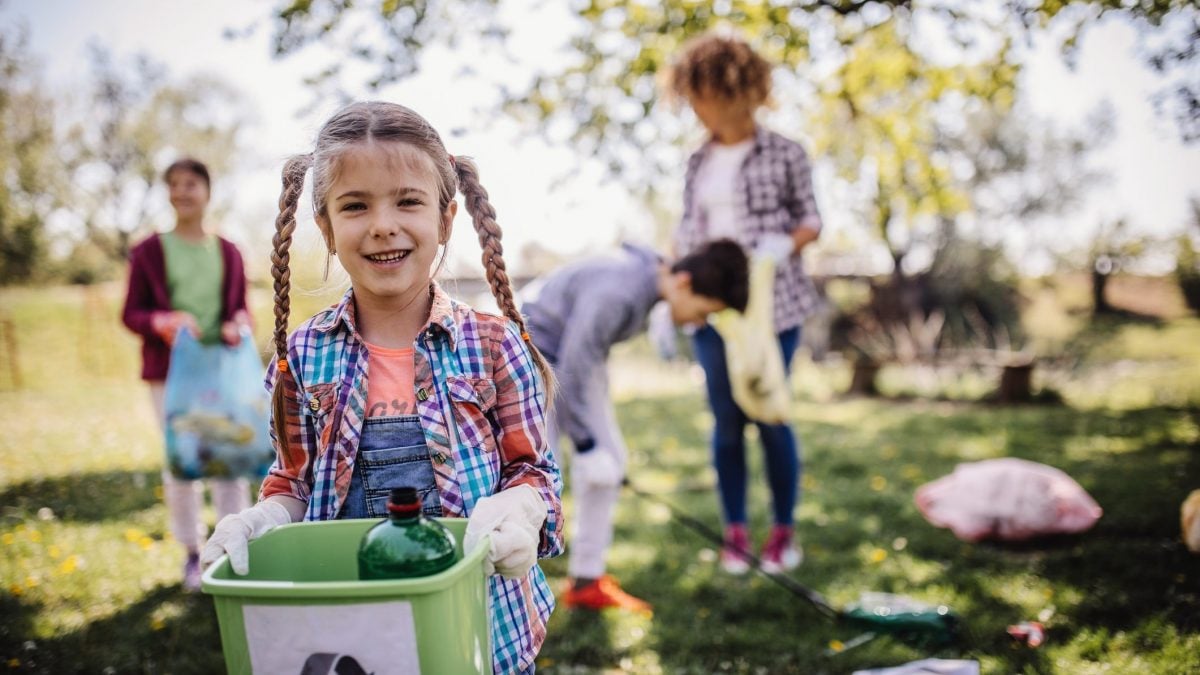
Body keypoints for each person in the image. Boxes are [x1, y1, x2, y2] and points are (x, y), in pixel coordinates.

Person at [199, 101, 563, 675]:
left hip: (480, 624)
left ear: (445, 220)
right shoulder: (302, 356)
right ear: (326, 227)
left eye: (407, 201)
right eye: (355, 205)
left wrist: (522, 511)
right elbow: (294, 480)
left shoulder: (494, 346)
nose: (382, 225)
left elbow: (533, 473)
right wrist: (260, 520)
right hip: (347, 629)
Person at [665, 33, 824, 575]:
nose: (697, 107)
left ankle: (783, 532)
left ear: (735, 91)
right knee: (726, 421)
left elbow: (811, 219)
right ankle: (736, 532)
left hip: (773, 308)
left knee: (771, 416)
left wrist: (785, 244)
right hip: (715, 311)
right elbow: (686, 231)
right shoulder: (697, 162)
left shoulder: (785, 153)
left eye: (703, 95)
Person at [522, 240, 749, 613]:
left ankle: (586, 581)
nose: (698, 323)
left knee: (611, 462)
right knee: (537, 479)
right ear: (684, 283)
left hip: (574, 360)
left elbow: (583, 360)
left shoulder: (655, 278)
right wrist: (583, 443)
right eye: (703, 312)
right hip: (533, 356)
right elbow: (570, 368)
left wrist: (595, 447)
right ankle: (516, 593)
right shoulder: (620, 292)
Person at [121, 158, 253, 592]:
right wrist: (162, 320)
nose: (181, 192)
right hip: (172, 374)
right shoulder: (148, 252)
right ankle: (193, 553)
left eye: (190, 183)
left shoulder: (229, 251)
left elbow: (239, 309)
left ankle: (235, 546)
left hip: (221, 370)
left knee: (229, 461)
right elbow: (132, 313)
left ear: (207, 191)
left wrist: (237, 322)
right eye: (173, 184)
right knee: (183, 463)